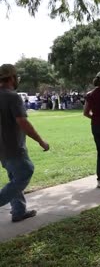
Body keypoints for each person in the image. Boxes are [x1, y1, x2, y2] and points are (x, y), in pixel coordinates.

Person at [0, 64, 50, 222]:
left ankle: (18, 211)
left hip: (2, 149)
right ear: (12, 78)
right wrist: (41, 141)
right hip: (14, 147)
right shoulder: (12, 96)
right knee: (25, 171)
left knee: (14, 178)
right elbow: (23, 122)